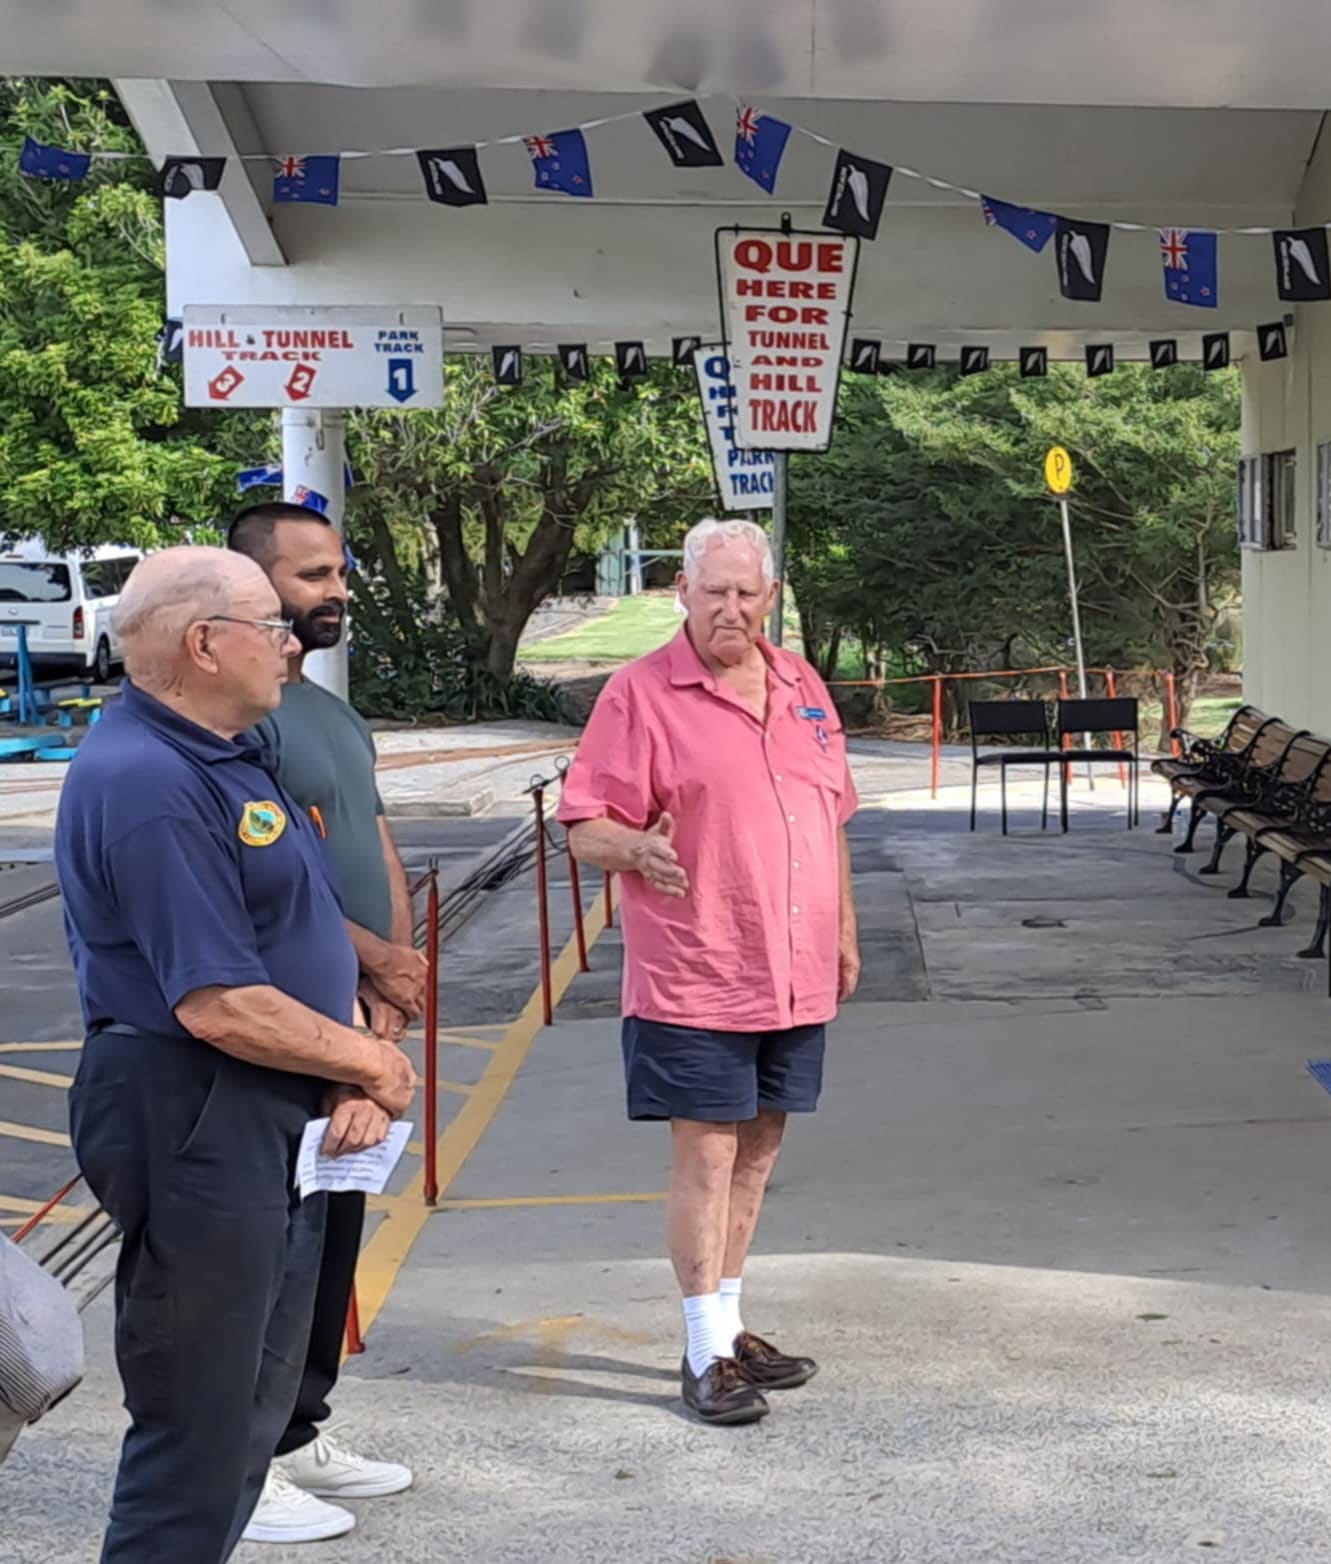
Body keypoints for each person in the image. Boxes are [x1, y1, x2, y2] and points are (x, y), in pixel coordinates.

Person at [55, 549, 415, 1563]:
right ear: (205, 643)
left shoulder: (227, 749)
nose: (291, 642)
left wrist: (348, 1041)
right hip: (196, 1102)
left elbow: (288, 920)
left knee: (256, 1399)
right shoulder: (147, 780)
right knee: (199, 1419)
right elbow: (216, 999)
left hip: (268, 1099)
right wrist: (374, 1064)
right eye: (271, 622)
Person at [559, 517, 860, 1426]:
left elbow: (830, 817)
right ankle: (701, 1353)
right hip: (697, 968)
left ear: (769, 597)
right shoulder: (640, 695)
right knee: (709, 1150)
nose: (731, 609)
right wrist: (634, 851)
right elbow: (581, 828)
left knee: (761, 1152)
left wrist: (845, 930)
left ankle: (728, 1329)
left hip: (794, 967)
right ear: (681, 593)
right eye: (714, 591)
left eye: (747, 592)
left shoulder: (801, 683)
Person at [227, 502, 421, 1544]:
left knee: (331, 1243)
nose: (335, 590)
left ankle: (298, 1430)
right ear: (254, 590)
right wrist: (367, 979)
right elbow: (277, 881)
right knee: (278, 1250)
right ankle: (245, 1464)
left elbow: (367, 840)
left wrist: (393, 978)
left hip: (363, 1012)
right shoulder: (240, 721)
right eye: (310, 576)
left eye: (337, 571)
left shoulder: (333, 715)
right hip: (299, 1024)